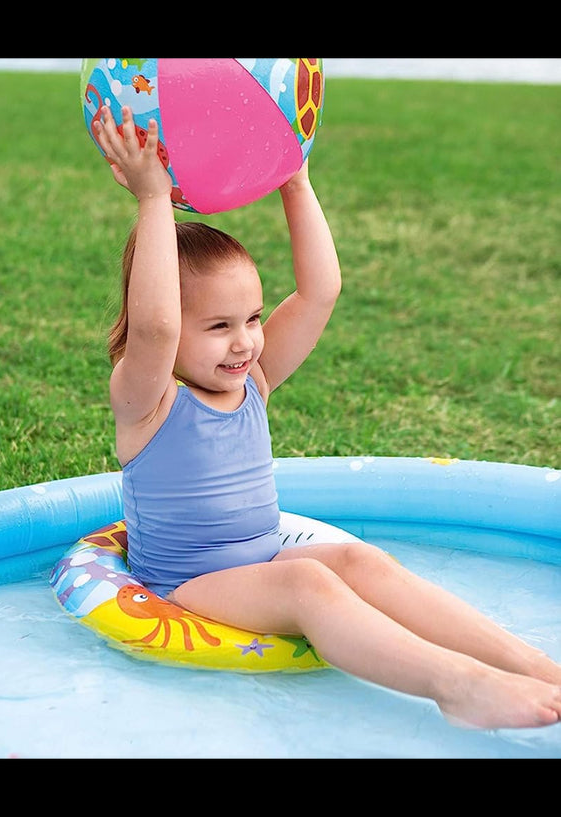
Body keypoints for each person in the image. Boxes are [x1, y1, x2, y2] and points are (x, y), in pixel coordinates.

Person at [93, 104, 561, 730]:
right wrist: (153, 200)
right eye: (218, 327)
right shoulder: (146, 402)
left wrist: (295, 181)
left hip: (259, 558)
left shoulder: (251, 382)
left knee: (359, 561)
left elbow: (319, 292)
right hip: (189, 583)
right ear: (175, 333)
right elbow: (154, 324)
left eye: (252, 319)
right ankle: (456, 684)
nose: (244, 342)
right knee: (309, 587)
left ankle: (531, 663)